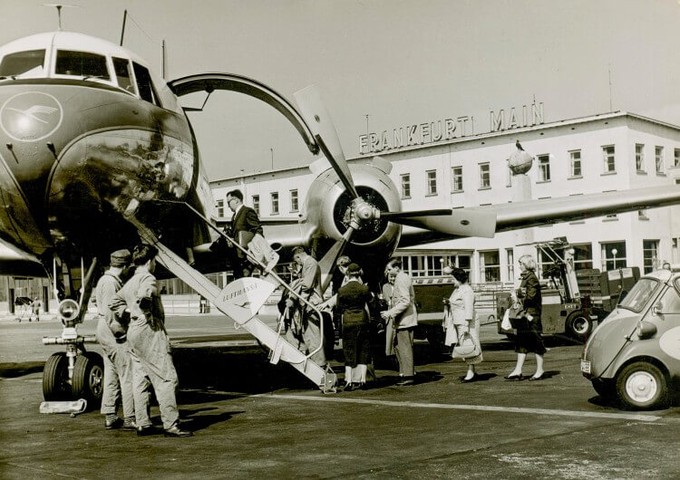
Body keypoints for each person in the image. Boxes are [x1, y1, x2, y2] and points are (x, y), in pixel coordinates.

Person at [110, 244, 192, 437]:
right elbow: (146, 295)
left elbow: (114, 302)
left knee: (140, 378)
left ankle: (143, 423)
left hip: (134, 332)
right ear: (149, 261)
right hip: (149, 330)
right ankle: (171, 424)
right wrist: (144, 309)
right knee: (166, 377)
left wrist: (129, 312)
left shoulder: (130, 281)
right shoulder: (148, 277)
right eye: (154, 261)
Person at [95, 249, 137, 430]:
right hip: (112, 329)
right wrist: (120, 334)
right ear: (125, 266)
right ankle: (130, 417)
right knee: (127, 373)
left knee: (111, 372)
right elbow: (111, 312)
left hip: (103, 330)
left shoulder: (105, 280)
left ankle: (110, 414)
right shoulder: (111, 283)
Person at [505, 254, 547, 381]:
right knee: (521, 341)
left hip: (531, 314)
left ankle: (540, 370)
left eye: (521, 264)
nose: (519, 266)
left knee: (536, 341)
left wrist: (516, 295)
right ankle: (518, 370)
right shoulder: (525, 277)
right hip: (525, 314)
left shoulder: (531, 278)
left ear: (526, 265)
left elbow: (531, 296)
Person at [380, 258, 418, 386]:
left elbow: (404, 301)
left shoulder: (401, 279)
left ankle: (408, 376)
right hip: (406, 319)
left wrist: (390, 313)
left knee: (404, 347)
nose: (388, 272)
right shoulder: (404, 277)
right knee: (400, 346)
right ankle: (408, 372)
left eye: (390, 269)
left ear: (397, 268)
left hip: (404, 320)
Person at [287, 246, 326, 367]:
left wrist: (294, 293)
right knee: (308, 335)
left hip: (312, 303)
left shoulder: (310, 263)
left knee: (313, 335)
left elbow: (307, 285)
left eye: (296, 260)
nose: (297, 263)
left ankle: (320, 364)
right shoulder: (308, 264)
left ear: (298, 256)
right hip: (308, 304)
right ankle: (316, 362)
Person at [337, 263, 373, 390]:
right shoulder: (364, 289)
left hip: (348, 321)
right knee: (363, 349)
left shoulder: (342, 290)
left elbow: (339, 308)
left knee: (348, 350)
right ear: (359, 273)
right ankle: (363, 380)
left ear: (347, 274)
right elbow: (371, 302)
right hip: (362, 320)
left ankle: (349, 381)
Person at [443, 267, 482, 382]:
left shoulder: (466, 290)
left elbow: (469, 308)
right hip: (459, 321)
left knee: (468, 346)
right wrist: (448, 302)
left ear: (458, 279)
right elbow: (457, 302)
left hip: (467, 322)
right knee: (465, 346)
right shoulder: (459, 289)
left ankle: (470, 372)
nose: (452, 281)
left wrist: (466, 325)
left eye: (453, 279)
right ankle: (472, 370)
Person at [226, 189, 263, 278]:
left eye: (228, 202)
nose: (228, 206)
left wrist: (253, 250)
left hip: (246, 257)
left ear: (236, 200)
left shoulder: (247, 211)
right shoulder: (234, 216)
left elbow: (258, 230)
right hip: (238, 257)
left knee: (244, 278)